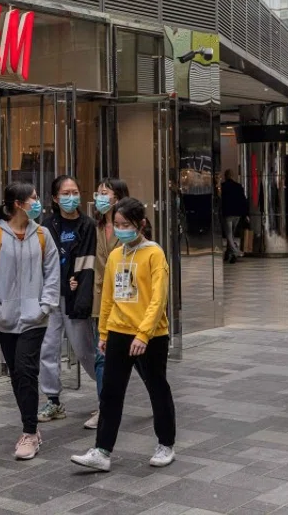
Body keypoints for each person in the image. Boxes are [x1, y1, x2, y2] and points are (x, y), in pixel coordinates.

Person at [70, 197, 176, 472]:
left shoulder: (154, 253)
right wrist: (104, 332)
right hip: (118, 331)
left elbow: (158, 298)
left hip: (150, 335)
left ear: (140, 224)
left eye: (125, 224)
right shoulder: (117, 255)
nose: (120, 229)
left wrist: (143, 334)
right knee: (111, 393)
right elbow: (108, 297)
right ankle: (102, 450)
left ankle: (166, 443)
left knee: (157, 388)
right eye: (116, 224)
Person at [0, 182, 60, 460]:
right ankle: (31, 427)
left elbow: (52, 273)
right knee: (16, 373)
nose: (38, 203)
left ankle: (29, 432)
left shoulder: (43, 235)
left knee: (26, 369)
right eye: (33, 198)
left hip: (35, 318)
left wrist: (45, 306)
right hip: (6, 318)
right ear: (17, 204)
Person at [36, 176, 97, 425]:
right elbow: (42, 263)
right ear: (55, 198)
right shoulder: (47, 226)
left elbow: (88, 263)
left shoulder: (87, 225)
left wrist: (77, 285)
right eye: (65, 193)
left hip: (76, 299)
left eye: (75, 192)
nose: (71, 197)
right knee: (47, 349)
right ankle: (53, 401)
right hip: (51, 298)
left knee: (84, 350)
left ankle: (107, 395)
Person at [86, 177, 130, 430]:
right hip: (99, 299)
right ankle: (105, 407)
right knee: (101, 356)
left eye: (106, 192)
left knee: (136, 358)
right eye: (99, 192)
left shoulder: (128, 228)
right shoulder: (95, 226)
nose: (101, 197)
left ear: (118, 196)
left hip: (124, 299)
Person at [221, 169, 248, 263]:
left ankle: (235, 251)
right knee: (231, 234)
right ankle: (230, 254)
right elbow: (243, 201)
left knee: (229, 235)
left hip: (227, 213)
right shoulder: (238, 186)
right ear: (232, 176)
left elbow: (221, 201)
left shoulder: (223, 187)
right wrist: (245, 214)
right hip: (237, 214)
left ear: (225, 176)